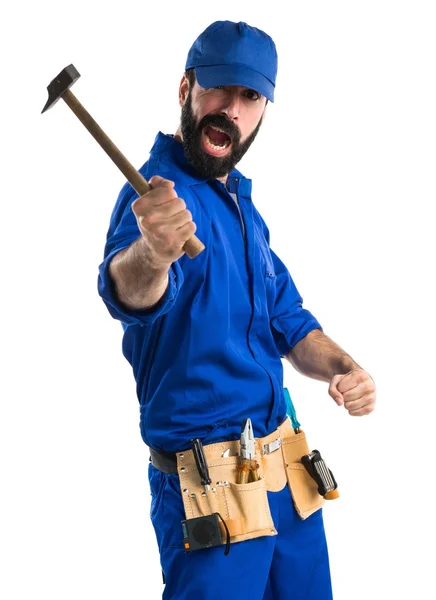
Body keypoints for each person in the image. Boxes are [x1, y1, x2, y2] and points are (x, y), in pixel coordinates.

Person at [97, 20, 376, 600]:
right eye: (219, 88)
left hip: (288, 478)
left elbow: (291, 323)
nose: (232, 108)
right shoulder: (156, 198)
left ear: (263, 111)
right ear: (185, 90)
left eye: (250, 97)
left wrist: (346, 368)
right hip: (210, 496)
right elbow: (128, 293)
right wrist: (153, 252)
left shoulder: (244, 209)